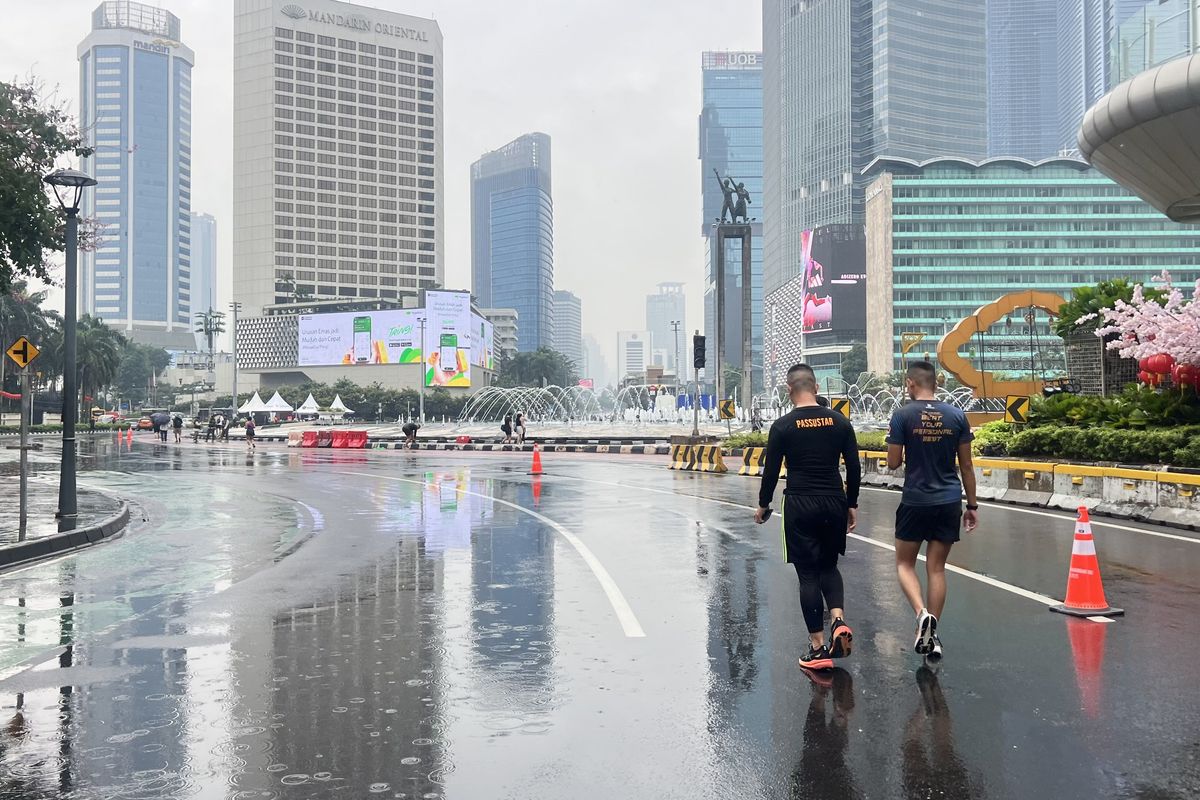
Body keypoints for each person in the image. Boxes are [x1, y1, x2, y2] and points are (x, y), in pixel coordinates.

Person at [755, 363, 861, 671]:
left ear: (790, 390)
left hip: (800, 502)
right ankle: (838, 620)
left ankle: (817, 648)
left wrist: (763, 505)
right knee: (829, 566)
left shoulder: (783, 426)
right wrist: (851, 503)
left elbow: (772, 471)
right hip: (833, 500)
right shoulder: (840, 422)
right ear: (815, 387)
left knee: (808, 575)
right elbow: (853, 468)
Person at [886, 361, 978, 662]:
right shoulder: (956, 415)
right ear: (935, 383)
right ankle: (933, 633)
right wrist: (972, 505)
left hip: (916, 500)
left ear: (911, 383)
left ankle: (920, 614)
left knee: (904, 563)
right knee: (936, 568)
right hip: (949, 500)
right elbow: (966, 465)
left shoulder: (902, 415)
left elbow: (893, 462)